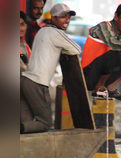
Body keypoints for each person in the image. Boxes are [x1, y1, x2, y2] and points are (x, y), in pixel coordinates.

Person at [20, 4, 81, 134]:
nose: (67, 21)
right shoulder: (55, 33)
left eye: (69, 17)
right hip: (37, 83)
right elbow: (76, 49)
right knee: (45, 123)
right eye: (63, 17)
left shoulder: (42, 31)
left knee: (27, 124)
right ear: (53, 18)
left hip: (25, 81)